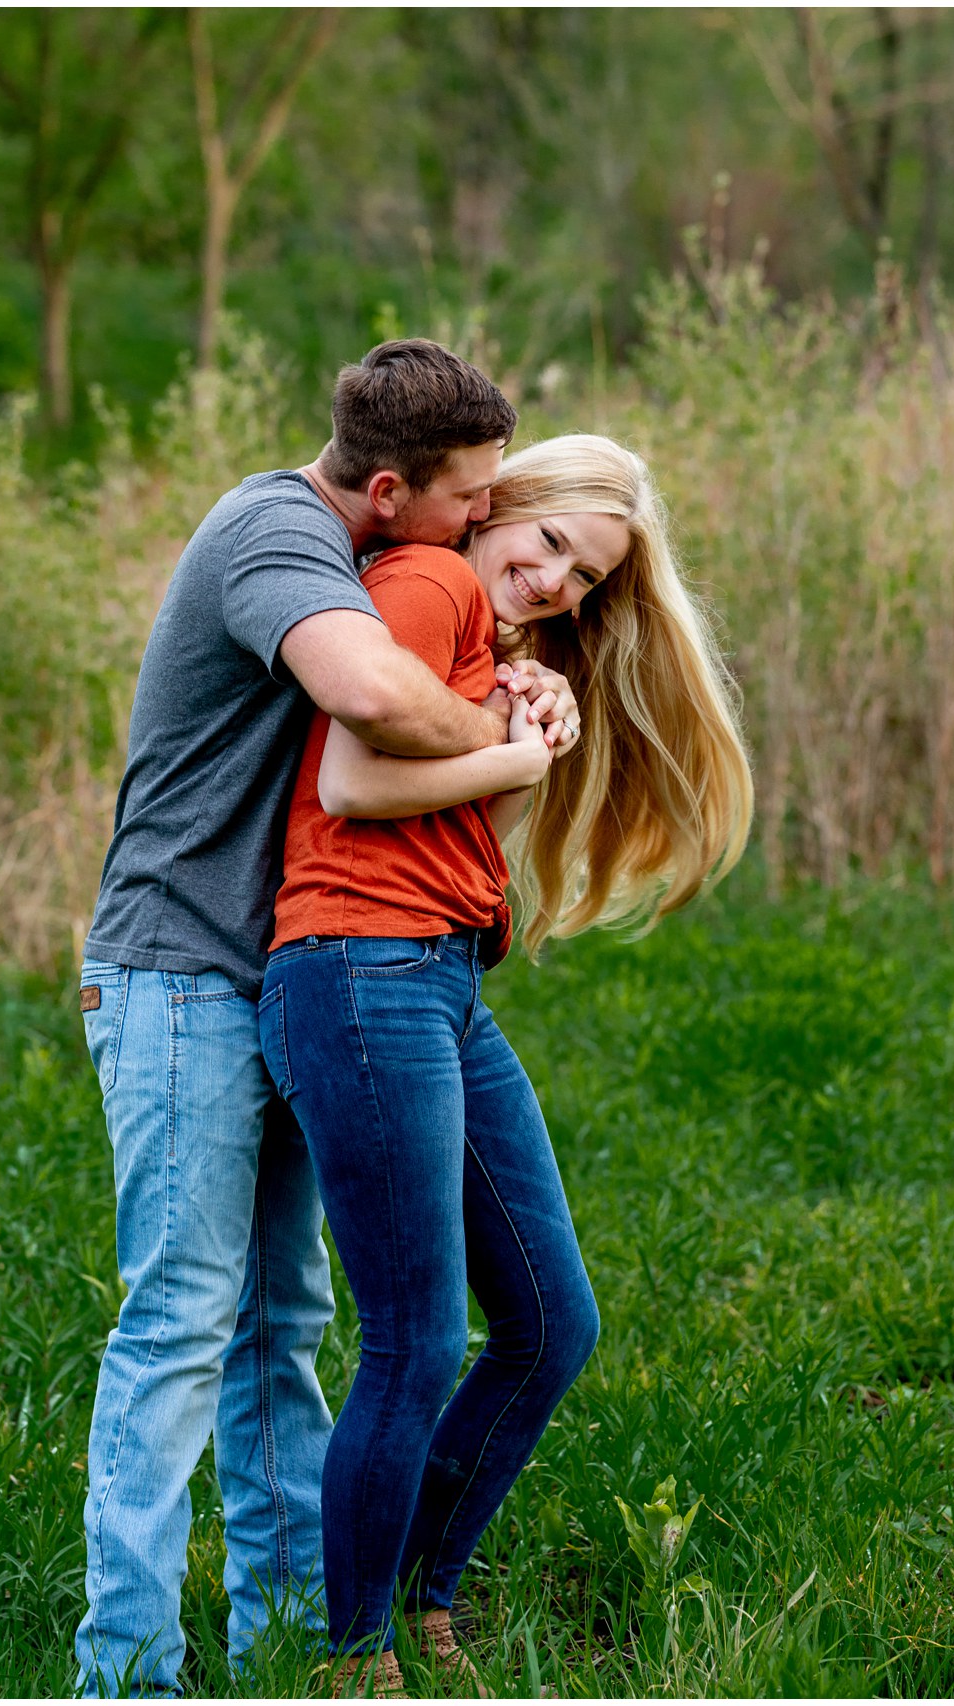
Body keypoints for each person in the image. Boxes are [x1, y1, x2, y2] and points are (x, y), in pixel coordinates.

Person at [73, 340, 580, 1697]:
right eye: (469, 498)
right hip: (177, 968)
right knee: (182, 1320)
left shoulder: (374, 549)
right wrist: (505, 725)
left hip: (281, 970)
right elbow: (365, 702)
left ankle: (290, 1643)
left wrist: (512, 681)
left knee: (276, 1324)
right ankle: (124, 1669)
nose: (483, 521)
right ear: (393, 488)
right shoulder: (275, 531)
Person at [259, 434, 753, 1695]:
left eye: (585, 579)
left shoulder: (482, 632)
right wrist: (524, 750)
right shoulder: (427, 582)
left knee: (549, 1322)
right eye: (548, 546)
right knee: (417, 1339)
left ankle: (417, 1592)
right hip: (362, 973)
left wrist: (517, 712)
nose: (558, 585)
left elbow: (465, 828)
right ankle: (354, 1651)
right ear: (496, 507)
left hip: (434, 979)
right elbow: (357, 776)